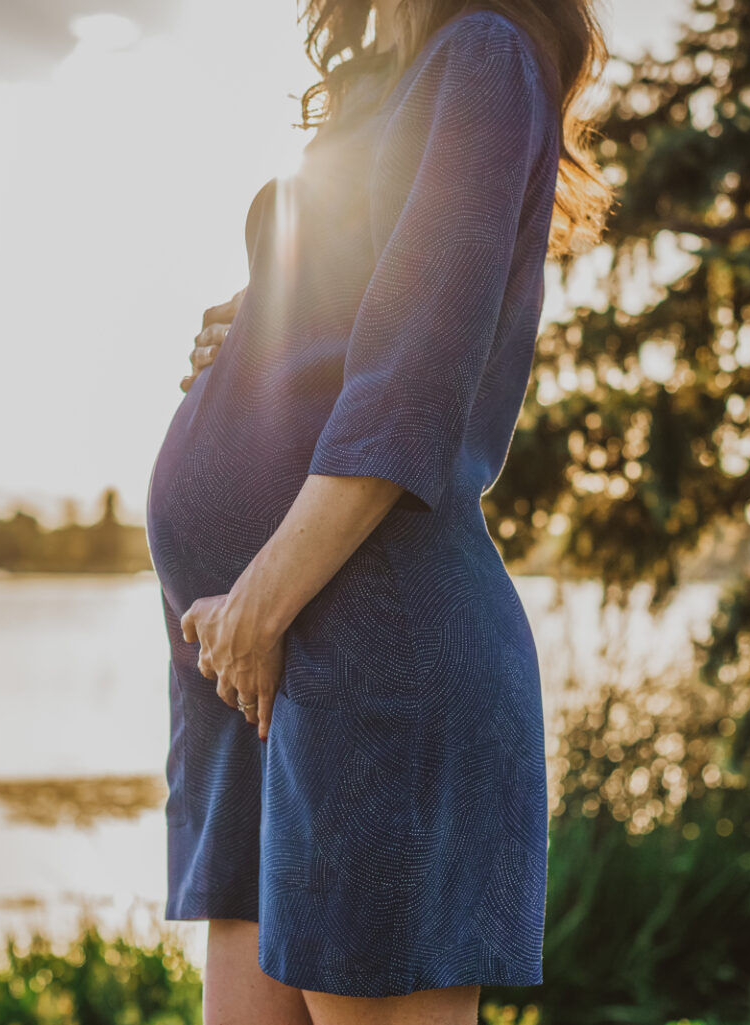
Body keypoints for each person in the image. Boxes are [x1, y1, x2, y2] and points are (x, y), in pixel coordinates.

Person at [144, 1, 615, 1022]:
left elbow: (419, 374)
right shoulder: (373, 80)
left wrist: (258, 606)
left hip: (365, 651)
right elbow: (353, 294)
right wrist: (258, 317)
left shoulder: (483, 51)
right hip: (248, 674)